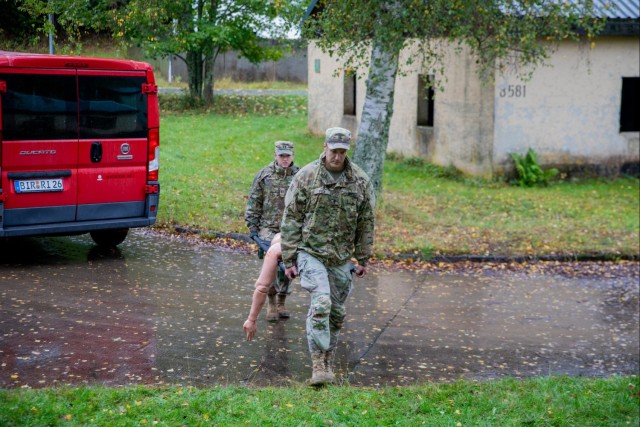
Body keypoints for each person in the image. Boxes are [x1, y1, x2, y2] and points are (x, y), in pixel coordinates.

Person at [280, 127, 376, 386]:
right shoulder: (307, 176)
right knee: (321, 303)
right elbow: (291, 218)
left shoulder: (360, 181)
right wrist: (289, 258)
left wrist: (363, 257)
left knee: (336, 313)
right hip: (311, 252)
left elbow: (366, 222)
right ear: (325, 147)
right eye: (334, 151)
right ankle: (317, 365)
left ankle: (328, 361)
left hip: (341, 258)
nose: (337, 156)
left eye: (342, 152)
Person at [245, 141, 299, 321]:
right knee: (272, 265)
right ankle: (271, 302)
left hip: (290, 228)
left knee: (288, 263)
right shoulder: (264, 176)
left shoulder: (300, 177)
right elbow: (254, 201)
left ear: (292, 156)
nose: (285, 159)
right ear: (275, 155)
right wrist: (252, 226)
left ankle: (282, 300)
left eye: (288, 156)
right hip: (268, 228)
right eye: (281, 155)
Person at [243, 233, 284, 341]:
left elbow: (262, 287)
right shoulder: (276, 249)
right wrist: (251, 319)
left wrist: (251, 320)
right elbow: (262, 287)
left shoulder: (278, 248)